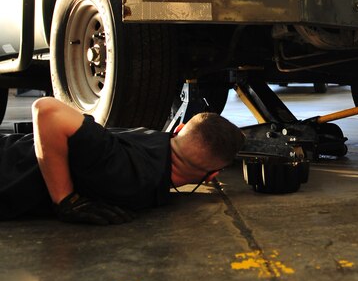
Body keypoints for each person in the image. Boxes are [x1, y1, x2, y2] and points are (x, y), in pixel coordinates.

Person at [0, 96, 245, 224]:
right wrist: (66, 200)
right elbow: (46, 110)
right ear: (212, 175)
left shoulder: (153, 140)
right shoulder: (130, 174)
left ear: (179, 129)